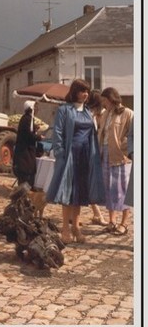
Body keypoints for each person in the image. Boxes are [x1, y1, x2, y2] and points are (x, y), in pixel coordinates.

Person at [46, 79, 105, 244]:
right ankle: (65, 228)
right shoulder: (64, 110)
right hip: (70, 155)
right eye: (82, 91)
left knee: (79, 193)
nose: (85, 94)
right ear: (75, 92)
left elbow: (93, 135)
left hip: (86, 156)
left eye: (87, 91)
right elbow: (57, 132)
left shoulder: (88, 112)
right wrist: (60, 153)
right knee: (68, 192)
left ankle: (76, 227)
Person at [98, 87, 133, 235]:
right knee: (108, 189)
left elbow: (133, 135)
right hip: (105, 154)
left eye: (105, 100)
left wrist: (124, 149)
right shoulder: (105, 114)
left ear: (111, 99)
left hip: (120, 157)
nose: (103, 103)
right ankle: (112, 221)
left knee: (122, 190)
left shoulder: (128, 113)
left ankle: (124, 223)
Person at [86, 89, 108, 226]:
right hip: (89, 153)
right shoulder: (88, 115)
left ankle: (97, 215)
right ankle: (97, 215)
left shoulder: (101, 115)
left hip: (97, 154)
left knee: (92, 185)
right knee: (88, 184)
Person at [12, 100, 45, 187]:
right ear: (31, 109)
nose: (37, 109)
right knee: (25, 172)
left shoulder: (27, 118)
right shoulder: (27, 119)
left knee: (28, 171)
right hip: (24, 152)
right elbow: (27, 134)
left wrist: (34, 128)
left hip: (27, 151)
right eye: (36, 107)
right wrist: (38, 137)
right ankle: (23, 192)